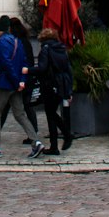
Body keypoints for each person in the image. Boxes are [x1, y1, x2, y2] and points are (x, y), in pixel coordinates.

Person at [0, 15, 43, 158]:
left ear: (0, 30)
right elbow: (24, 63)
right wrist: (21, 81)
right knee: (20, 114)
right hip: (16, 85)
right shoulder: (17, 41)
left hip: (5, 84)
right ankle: (36, 142)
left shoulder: (2, 42)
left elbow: (5, 63)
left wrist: (16, 81)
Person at [37, 26, 74, 154]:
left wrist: (28, 70)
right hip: (61, 85)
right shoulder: (62, 49)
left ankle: (66, 135)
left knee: (51, 113)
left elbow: (42, 68)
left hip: (49, 84)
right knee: (51, 113)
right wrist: (69, 90)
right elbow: (69, 70)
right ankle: (54, 146)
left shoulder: (45, 49)